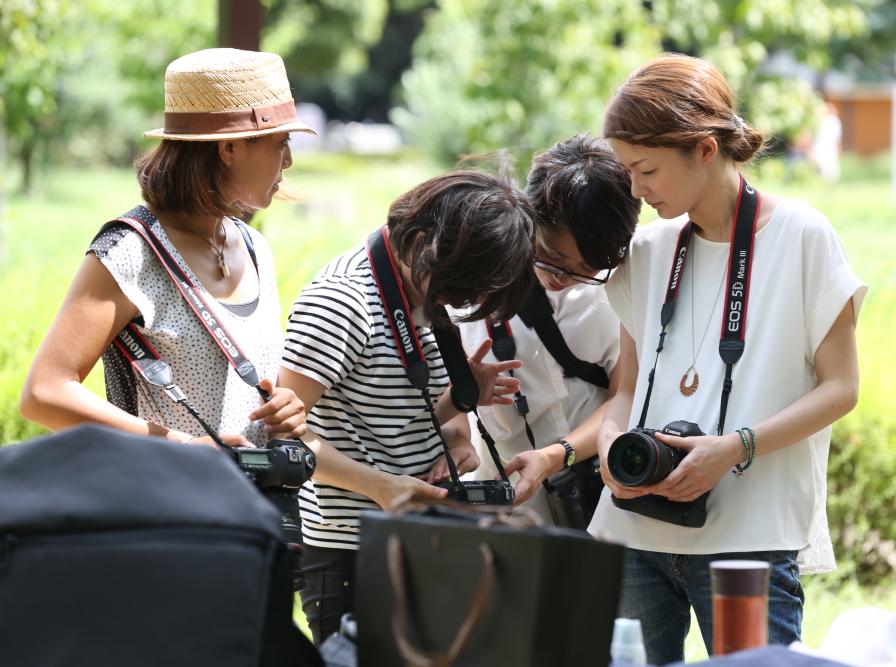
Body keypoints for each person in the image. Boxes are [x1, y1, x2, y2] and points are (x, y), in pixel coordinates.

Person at [594, 53, 867, 663]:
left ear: (705, 149)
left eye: (647, 170)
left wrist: (735, 447)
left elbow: (842, 388)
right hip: (634, 528)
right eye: (628, 172)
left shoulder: (803, 237)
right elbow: (625, 388)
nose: (636, 190)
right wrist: (614, 446)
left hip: (750, 538)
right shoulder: (647, 248)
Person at [278, 168, 536, 644]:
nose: (467, 301)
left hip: (425, 538)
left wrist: (458, 428)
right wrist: (381, 488)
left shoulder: (427, 286)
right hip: (351, 552)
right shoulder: (343, 301)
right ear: (420, 240)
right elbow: (286, 438)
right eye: (464, 289)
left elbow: (399, 411)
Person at [20, 48, 315, 447]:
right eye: (281, 141)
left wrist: (284, 407)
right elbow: (44, 394)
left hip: (253, 507)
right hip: (170, 504)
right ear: (229, 148)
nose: (290, 160)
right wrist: (183, 447)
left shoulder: (254, 247)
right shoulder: (129, 252)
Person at [453, 134, 640, 523]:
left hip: (602, 503)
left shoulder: (617, 284)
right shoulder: (477, 282)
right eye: (552, 260)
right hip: (507, 511)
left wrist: (557, 455)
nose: (567, 278)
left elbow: (627, 393)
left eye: (589, 268)